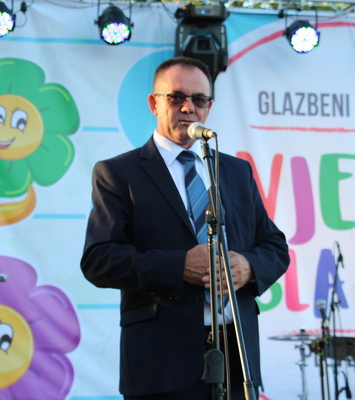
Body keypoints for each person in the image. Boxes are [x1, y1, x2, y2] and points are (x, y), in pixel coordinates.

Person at [80, 56, 289, 400]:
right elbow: (99, 260)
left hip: (237, 361)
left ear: (209, 107)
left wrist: (248, 267)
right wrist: (179, 266)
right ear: (154, 104)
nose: (188, 108)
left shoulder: (235, 171)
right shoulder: (119, 173)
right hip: (161, 363)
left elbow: (275, 247)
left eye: (199, 99)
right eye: (176, 97)